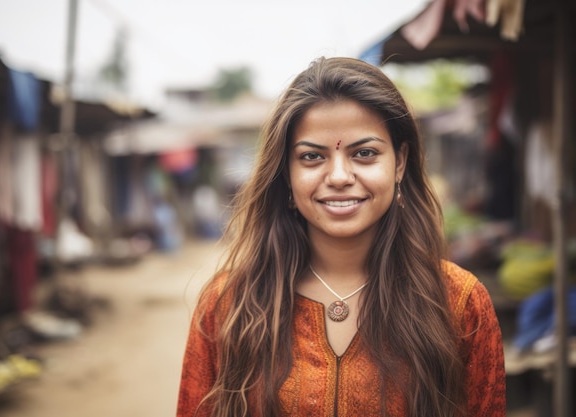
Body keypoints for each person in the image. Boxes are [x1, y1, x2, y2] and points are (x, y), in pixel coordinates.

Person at [177, 57, 506, 417]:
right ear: (286, 172)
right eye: (312, 157)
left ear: (399, 162)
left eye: (364, 154)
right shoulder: (229, 305)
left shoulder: (459, 303)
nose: (338, 176)